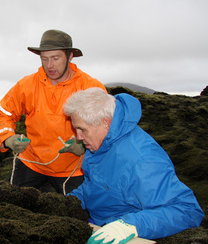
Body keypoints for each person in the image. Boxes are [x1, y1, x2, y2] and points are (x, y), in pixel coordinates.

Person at [63, 87, 204, 243]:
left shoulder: (142, 160)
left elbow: (188, 210)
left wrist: (129, 226)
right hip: (98, 223)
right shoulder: (98, 144)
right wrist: (69, 202)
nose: (78, 137)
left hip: (125, 233)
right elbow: (94, 185)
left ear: (105, 123)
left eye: (82, 129)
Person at [0, 29, 106, 195]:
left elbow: (106, 126)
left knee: (78, 215)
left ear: (70, 56)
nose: (49, 65)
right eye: (44, 59)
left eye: (55, 58)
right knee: (9, 203)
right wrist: (7, 137)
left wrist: (83, 145)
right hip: (31, 161)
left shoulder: (90, 87)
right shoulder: (27, 85)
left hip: (73, 168)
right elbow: (3, 112)